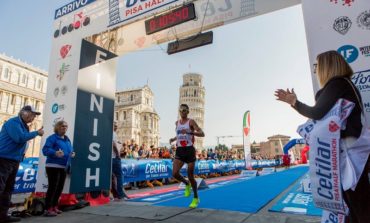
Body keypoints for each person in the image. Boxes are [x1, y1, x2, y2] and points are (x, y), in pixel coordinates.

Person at [275, 50, 370, 223]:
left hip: (350, 155)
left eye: (317, 66)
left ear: (327, 66)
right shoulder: (343, 84)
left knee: (358, 204)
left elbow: (317, 112)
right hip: (352, 152)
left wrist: (295, 102)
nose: (316, 70)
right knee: (355, 204)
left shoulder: (338, 83)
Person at [0, 105, 44, 223]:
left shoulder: (23, 126)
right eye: (32, 114)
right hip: (3, 159)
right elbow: (19, 138)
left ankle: (2, 215)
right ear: (24, 113)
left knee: (8, 189)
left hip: (14, 160)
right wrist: (37, 133)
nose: (33, 117)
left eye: (35, 115)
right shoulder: (13, 122)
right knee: (1, 187)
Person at [169, 104, 205, 208]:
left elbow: (202, 133)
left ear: (187, 111)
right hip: (180, 150)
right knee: (175, 173)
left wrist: (191, 131)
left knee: (190, 176)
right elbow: (179, 134)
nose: (182, 112)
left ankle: (195, 197)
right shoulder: (177, 123)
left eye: (184, 110)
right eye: (181, 110)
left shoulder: (191, 122)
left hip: (189, 150)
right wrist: (173, 139)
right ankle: (186, 184)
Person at [42, 121, 75, 217]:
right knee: (53, 187)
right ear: (57, 127)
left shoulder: (67, 140)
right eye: (62, 126)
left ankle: (54, 206)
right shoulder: (52, 138)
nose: (64, 127)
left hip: (63, 167)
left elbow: (70, 150)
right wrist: (55, 153)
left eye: (66, 126)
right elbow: (45, 150)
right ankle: (47, 209)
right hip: (53, 166)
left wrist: (72, 153)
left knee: (60, 187)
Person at [111, 122, 129, 201]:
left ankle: (115, 194)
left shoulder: (109, 133)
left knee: (113, 177)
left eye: (116, 126)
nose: (116, 127)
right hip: (114, 157)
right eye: (115, 126)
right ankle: (120, 194)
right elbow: (114, 144)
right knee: (119, 176)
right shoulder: (113, 134)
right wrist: (118, 154)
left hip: (111, 157)